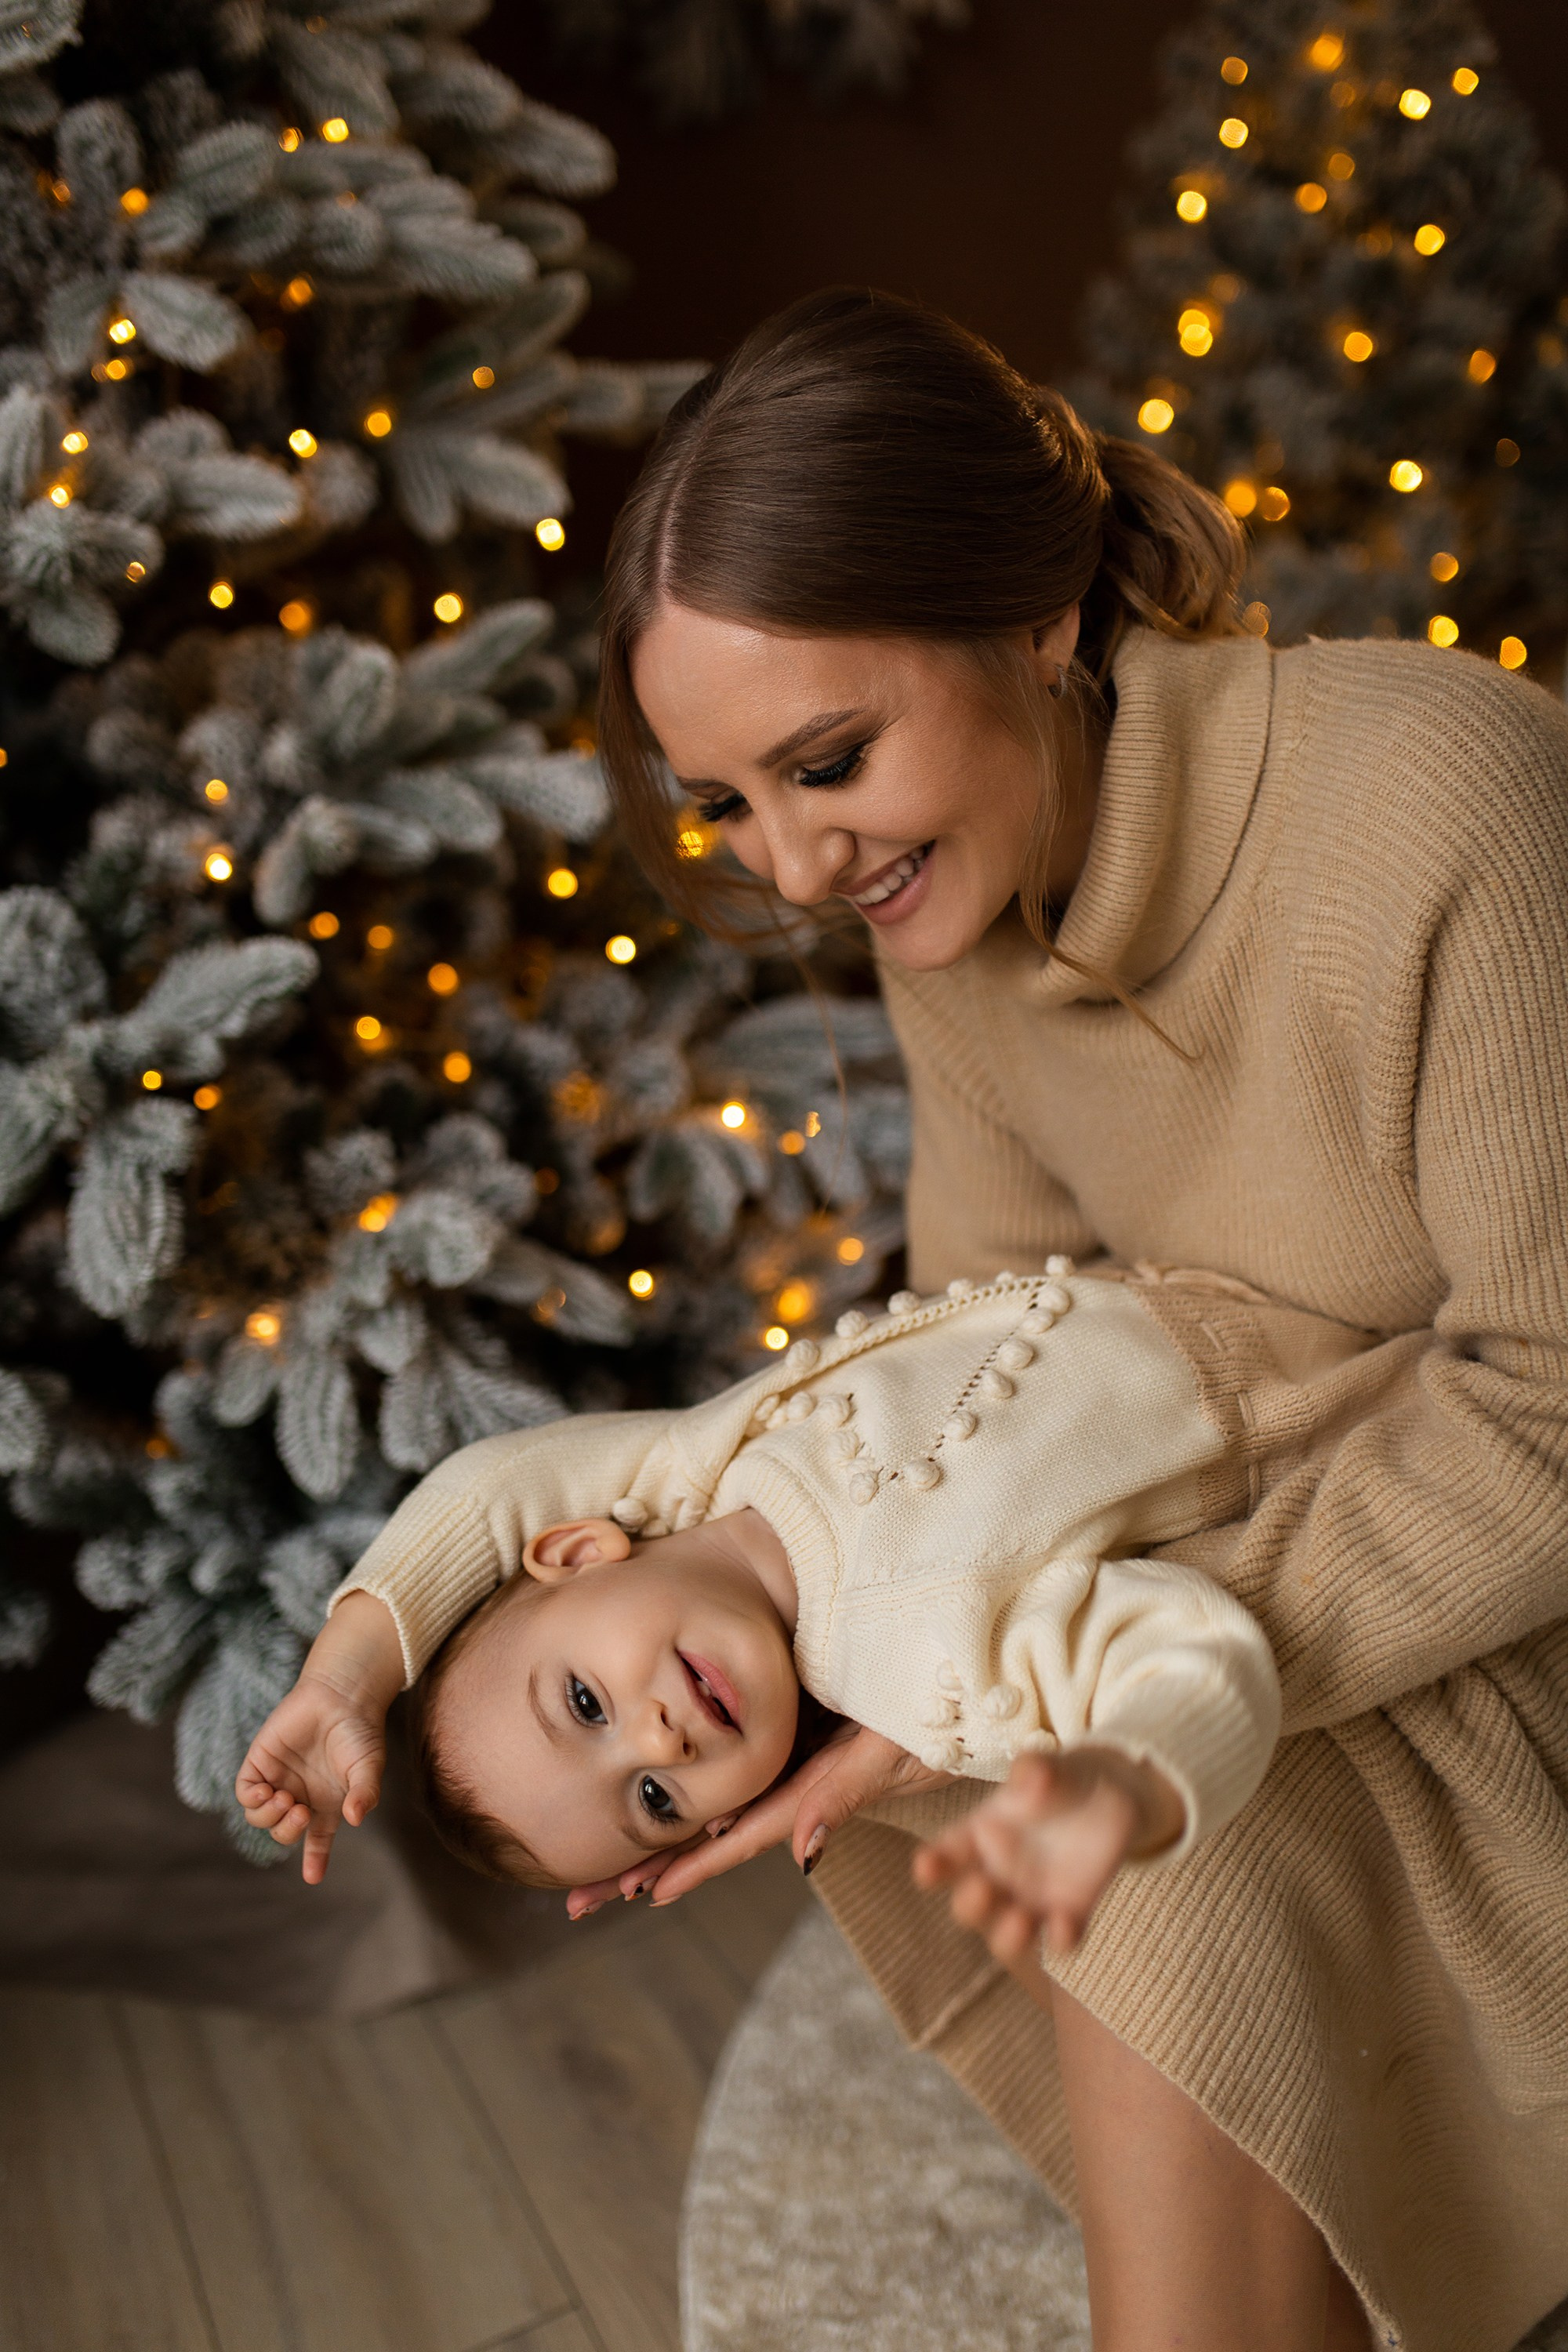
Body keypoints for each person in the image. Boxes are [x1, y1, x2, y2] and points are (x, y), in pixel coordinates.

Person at [278, 285, 1568, 2352]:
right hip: (1261, 1535)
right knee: (1014, 1765)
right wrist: (926, 1673)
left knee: (1140, 1830)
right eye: (729, 810)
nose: (792, 865)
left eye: (826, 762)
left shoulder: (1436, 794)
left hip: (1517, 1553)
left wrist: (1095, 1677)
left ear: (1037, 615)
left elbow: (1555, 1414)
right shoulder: (942, 909)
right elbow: (993, 1326)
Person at [241, 1260, 1378, 1944]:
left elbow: (492, 1489)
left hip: (1183, 1248)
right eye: (654, 1797)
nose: (661, 1735)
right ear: (719, 1823)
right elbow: (1195, 1657)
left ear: (580, 1553)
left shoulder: (695, 1469)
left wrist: (346, 1673)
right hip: (1323, 1366)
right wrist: (1128, 1782)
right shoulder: (923, 1668)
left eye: (585, 1702)